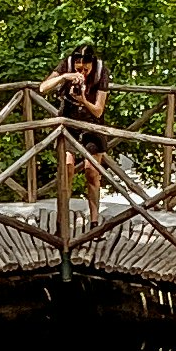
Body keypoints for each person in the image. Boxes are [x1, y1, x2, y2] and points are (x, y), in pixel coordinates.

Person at [36, 44, 113, 229]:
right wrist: (64, 77)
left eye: (85, 67)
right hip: (68, 124)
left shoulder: (101, 72)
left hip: (91, 125)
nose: (82, 70)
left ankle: (94, 221)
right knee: (66, 169)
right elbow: (42, 88)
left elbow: (98, 110)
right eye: (78, 67)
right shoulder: (66, 65)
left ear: (92, 64)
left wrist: (83, 99)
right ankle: (62, 220)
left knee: (92, 173)